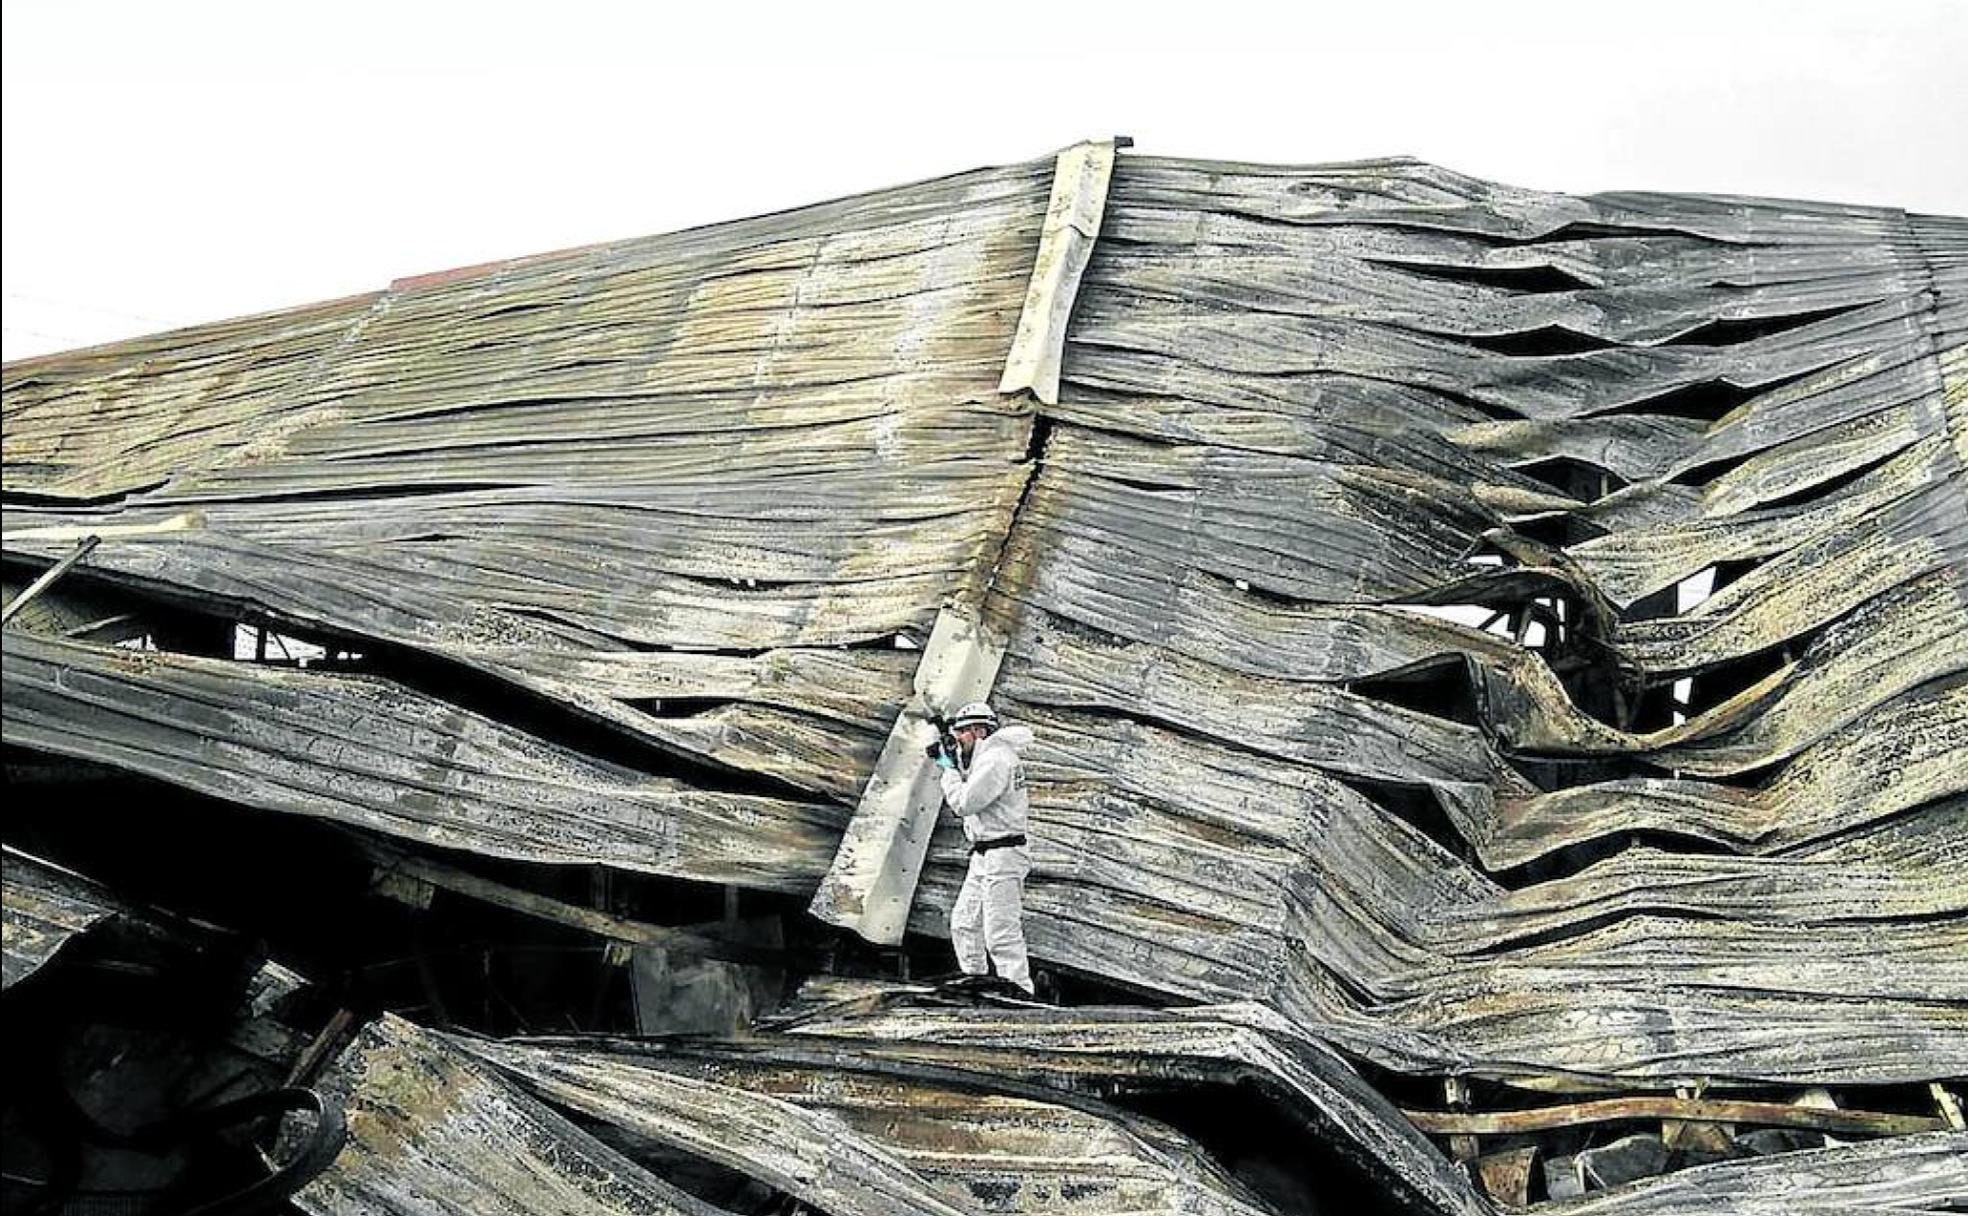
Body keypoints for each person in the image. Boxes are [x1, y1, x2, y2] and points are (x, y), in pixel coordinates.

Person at [931, 700, 1035, 993]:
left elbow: (964, 803)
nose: (957, 740)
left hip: (1004, 855)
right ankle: (977, 985)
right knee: (964, 924)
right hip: (985, 853)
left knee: (1001, 934)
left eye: (961, 733)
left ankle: (1020, 995)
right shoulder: (988, 757)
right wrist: (956, 763)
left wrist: (947, 768)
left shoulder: (996, 761)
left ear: (978, 731)